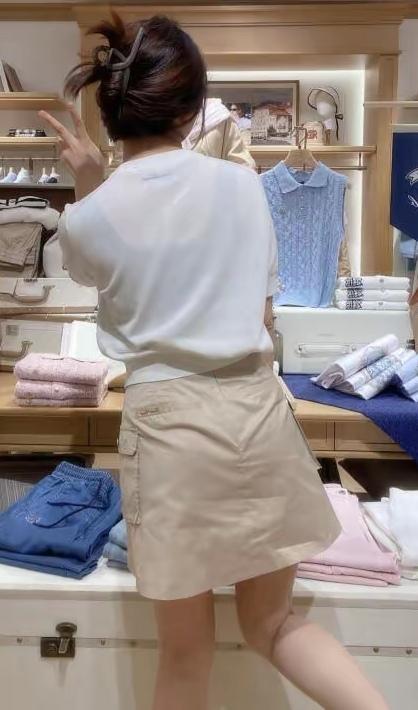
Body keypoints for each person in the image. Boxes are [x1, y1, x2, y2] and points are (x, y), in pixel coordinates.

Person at [41, 14, 389, 710]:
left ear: (111, 110)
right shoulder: (242, 186)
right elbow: (263, 316)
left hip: (171, 428)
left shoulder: (92, 213)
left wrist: (90, 182)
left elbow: (90, 263)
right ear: (192, 108)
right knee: (273, 624)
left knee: (185, 652)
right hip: (258, 412)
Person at [183, 97, 255, 168]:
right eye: (231, 109)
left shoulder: (219, 116)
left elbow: (244, 165)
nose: (233, 112)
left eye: (234, 110)